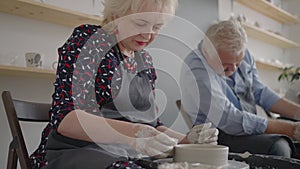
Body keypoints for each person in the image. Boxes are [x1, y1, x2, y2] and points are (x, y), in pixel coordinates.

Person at [29, 1, 218, 169]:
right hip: (77, 150)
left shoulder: (144, 60)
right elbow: (65, 119)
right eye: (140, 23)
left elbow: (151, 125)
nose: (148, 34)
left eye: (157, 27)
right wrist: (134, 134)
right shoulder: (89, 41)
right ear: (116, 16)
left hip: (128, 153)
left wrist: (187, 140)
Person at [180, 19, 300, 159]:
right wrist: (293, 130)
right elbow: (229, 119)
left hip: (246, 130)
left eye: (238, 63)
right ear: (207, 52)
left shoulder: (243, 55)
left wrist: (298, 112)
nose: (234, 70)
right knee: (280, 146)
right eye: (226, 65)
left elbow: (260, 93)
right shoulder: (195, 69)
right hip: (218, 136)